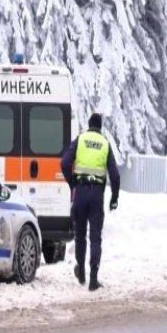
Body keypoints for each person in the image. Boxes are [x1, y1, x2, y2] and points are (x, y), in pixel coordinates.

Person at [61, 113, 120, 291]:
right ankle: (93, 279)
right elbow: (115, 175)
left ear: (89, 125)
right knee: (95, 237)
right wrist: (114, 198)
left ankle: (81, 272)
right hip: (96, 195)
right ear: (100, 127)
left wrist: (72, 182)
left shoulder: (80, 139)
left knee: (80, 235)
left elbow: (64, 162)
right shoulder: (105, 143)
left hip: (80, 192)